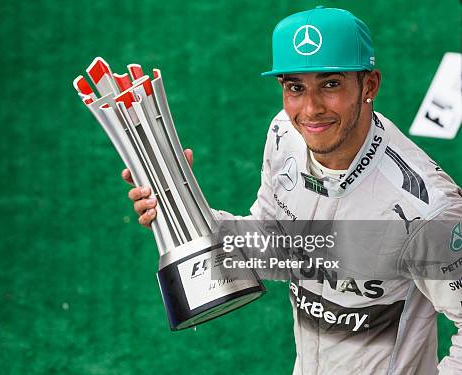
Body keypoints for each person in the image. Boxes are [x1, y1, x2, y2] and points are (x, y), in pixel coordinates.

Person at [122, 6, 462, 375]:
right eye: (295, 87)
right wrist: (185, 212)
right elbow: (279, 247)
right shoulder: (285, 135)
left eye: (330, 83)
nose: (311, 109)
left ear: (370, 85)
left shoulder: (426, 211)